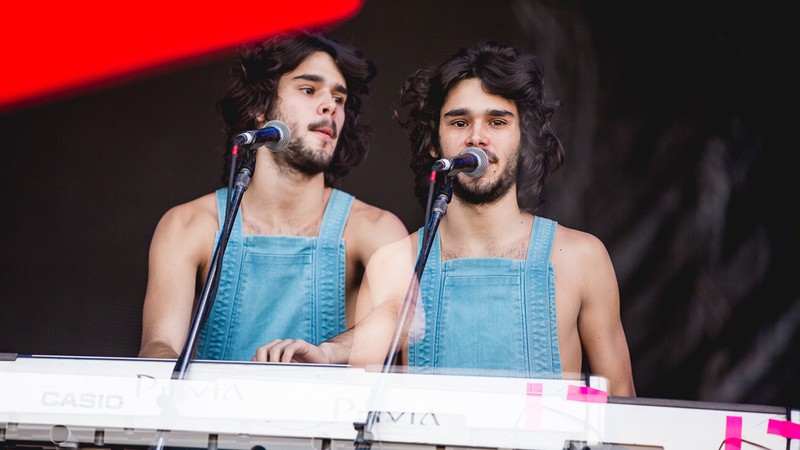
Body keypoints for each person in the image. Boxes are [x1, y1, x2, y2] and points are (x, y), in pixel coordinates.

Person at [253, 40, 636, 397]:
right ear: (435, 141)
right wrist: (327, 353)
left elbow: (625, 416)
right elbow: (364, 410)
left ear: (524, 138)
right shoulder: (393, 262)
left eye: (498, 122)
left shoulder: (583, 258)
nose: (477, 137)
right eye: (459, 122)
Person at [137, 31, 409, 361]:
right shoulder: (186, 224)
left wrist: (328, 352)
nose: (330, 107)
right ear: (260, 109)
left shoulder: (376, 227)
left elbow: (403, 315)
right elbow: (158, 348)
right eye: (309, 90)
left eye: (339, 99)